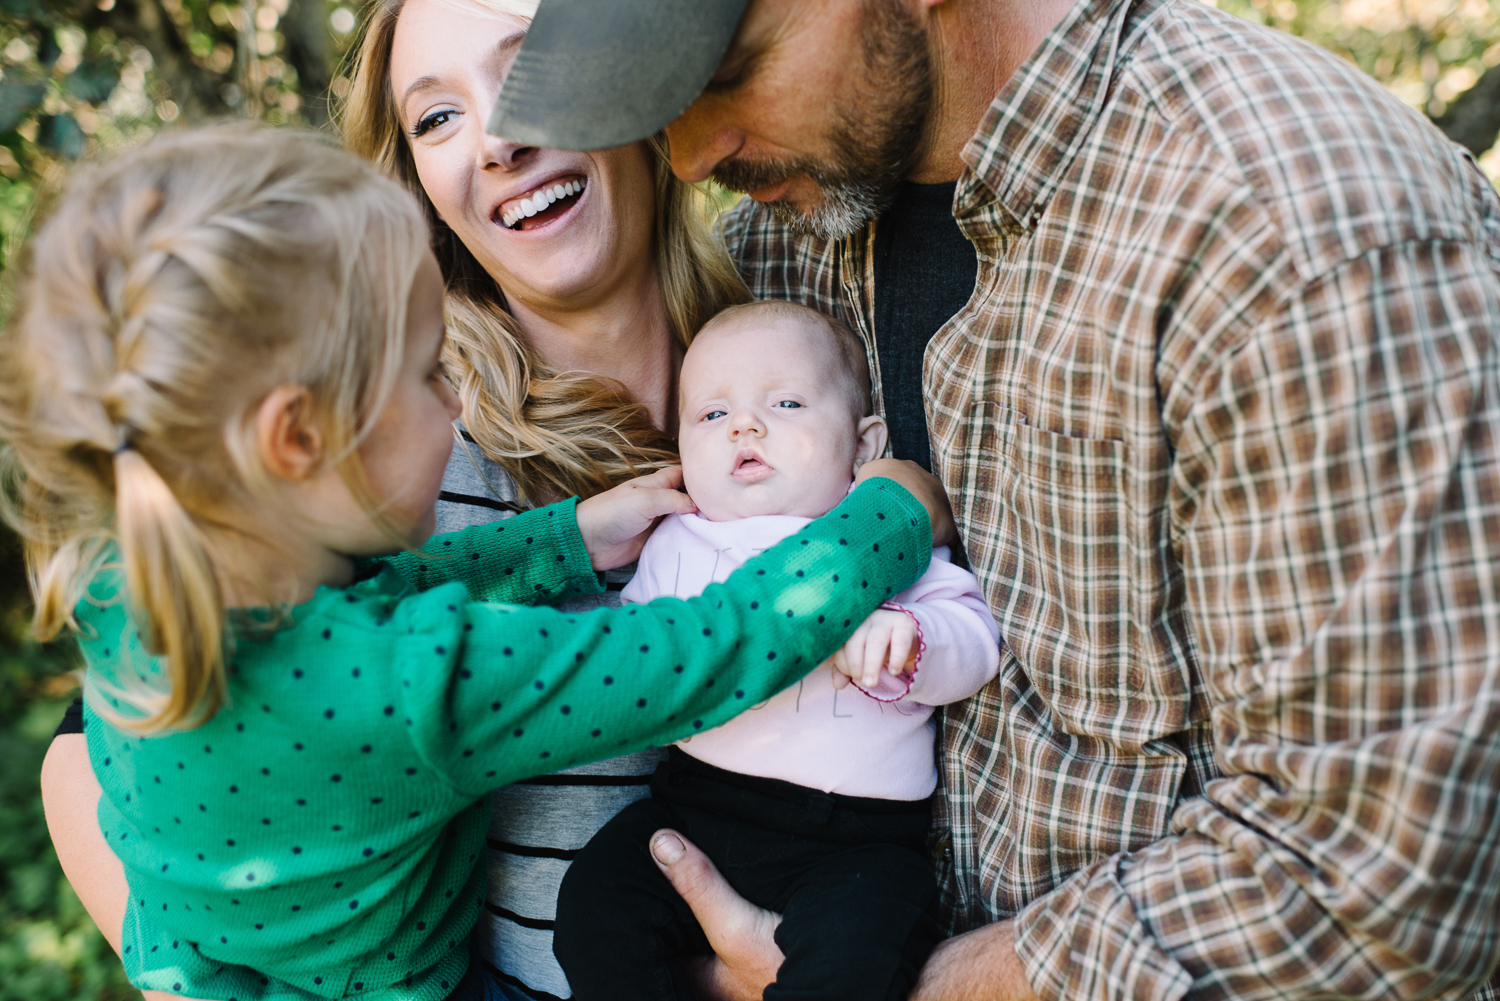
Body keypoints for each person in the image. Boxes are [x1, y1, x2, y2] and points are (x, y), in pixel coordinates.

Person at [485, 0, 1500, 999]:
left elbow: (1383, 877)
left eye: (726, 69)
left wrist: (878, 980)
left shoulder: (1288, 229)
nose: (692, 153)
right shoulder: (778, 245)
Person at [8, 126, 949, 1001]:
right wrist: (887, 517)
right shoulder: (417, 686)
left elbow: (384, 597)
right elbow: (700, 650)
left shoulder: (128, 590)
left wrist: (565, 538)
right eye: (426, 372)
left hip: (216, 964)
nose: (454, 403)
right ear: (298, 437)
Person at [39, 2, 752, 999]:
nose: (499, 139)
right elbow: (95, 755)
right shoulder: (376, 458)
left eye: (524, 69)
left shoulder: (796, 342)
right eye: (437, 117)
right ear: (417, 179)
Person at [552, 301, 1000, 1001]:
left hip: (853, 840)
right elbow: (636, 659)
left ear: (864, 444)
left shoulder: (882, 536)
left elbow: (975, 640)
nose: (744, 426)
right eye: (711, 415)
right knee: (594, 905)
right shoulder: (680, 542)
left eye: (786, 402)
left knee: (853, 965)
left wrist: (911, 642)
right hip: (694, 805)